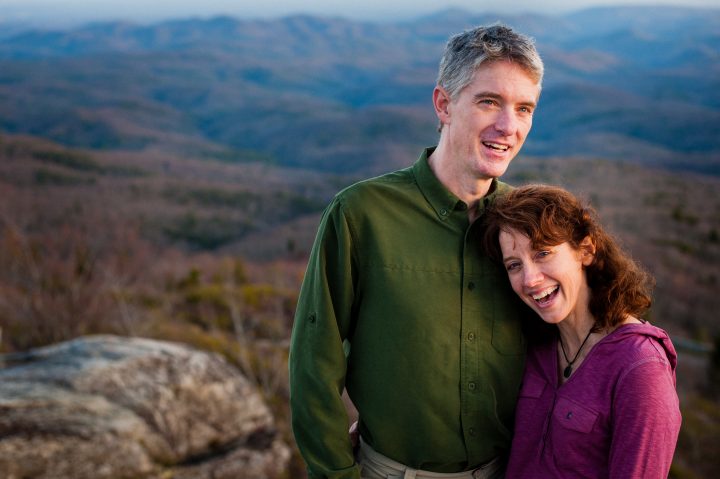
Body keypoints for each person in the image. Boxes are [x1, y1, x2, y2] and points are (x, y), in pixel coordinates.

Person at [289, 24, 543, 479]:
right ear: (444, 105)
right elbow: (314, 366)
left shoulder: (528, 224)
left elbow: (572, 339)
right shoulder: (360, 214)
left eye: (524, 108)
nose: (509, 126)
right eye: (489, 102)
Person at [480, 184, 681, 478]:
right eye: (514, 265)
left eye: (543, 253)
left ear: (585, 250)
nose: (530, 279)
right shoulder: (536, 346)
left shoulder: (640, 369)